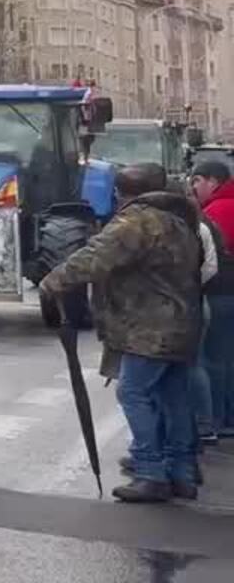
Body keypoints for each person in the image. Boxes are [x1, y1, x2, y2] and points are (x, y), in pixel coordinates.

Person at [42, 162, 206, 503]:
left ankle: (150, 472)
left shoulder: (137, 222)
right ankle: (182, 472)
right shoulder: (181, 221)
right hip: (182, 323)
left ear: (122, 194)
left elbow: (95, 257)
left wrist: (53, 280)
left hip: (149, 327)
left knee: (133, 393)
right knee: (173, 397)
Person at [191, 160, 234, 441]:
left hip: (221, 293)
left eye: (197, 181)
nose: (194, 188)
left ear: (212, 181)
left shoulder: (219, 210)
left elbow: (211, 262)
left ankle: (216, 420)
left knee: (213, 361)